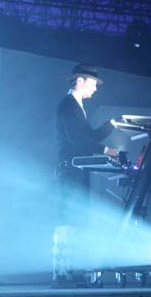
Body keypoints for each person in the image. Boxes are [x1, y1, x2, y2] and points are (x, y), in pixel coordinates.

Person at [52, 63, 118, 286]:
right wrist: (107, 151)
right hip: (70, 171)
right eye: (93, 83)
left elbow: (88, 136)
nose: (96, 89)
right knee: (68, 220)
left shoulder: (76, 106)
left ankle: (72, 271)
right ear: (80, 81)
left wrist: (112, 125)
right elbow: (78, 140)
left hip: (76, 170)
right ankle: (61, 274)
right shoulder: (69, 105)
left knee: (76, 220)